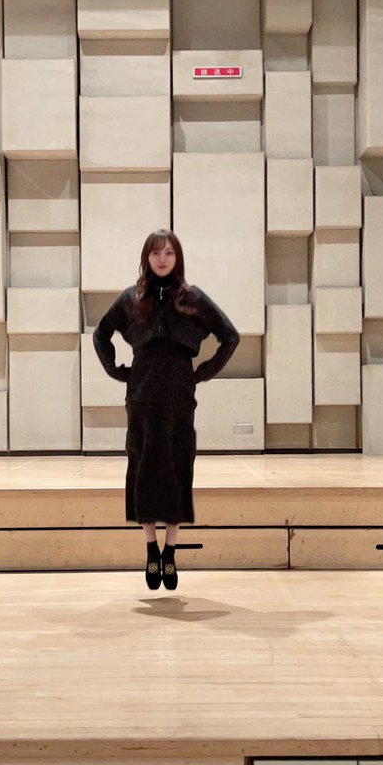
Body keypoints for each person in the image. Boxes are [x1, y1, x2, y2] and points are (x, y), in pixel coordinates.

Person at [93, 230, 239, 591]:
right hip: (141, 394)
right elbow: (101, 334)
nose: (162, 259)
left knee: (177, 466)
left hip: (178, 396)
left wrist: (202, 372)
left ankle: (171, 550)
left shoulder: (193, 298)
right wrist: (116, 371)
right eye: (156, 253)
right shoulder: (131, 299)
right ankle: (150, 548)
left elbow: (230, 336)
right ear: (146, 258)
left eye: (169, 253)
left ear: (178, 258)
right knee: (143, 466)